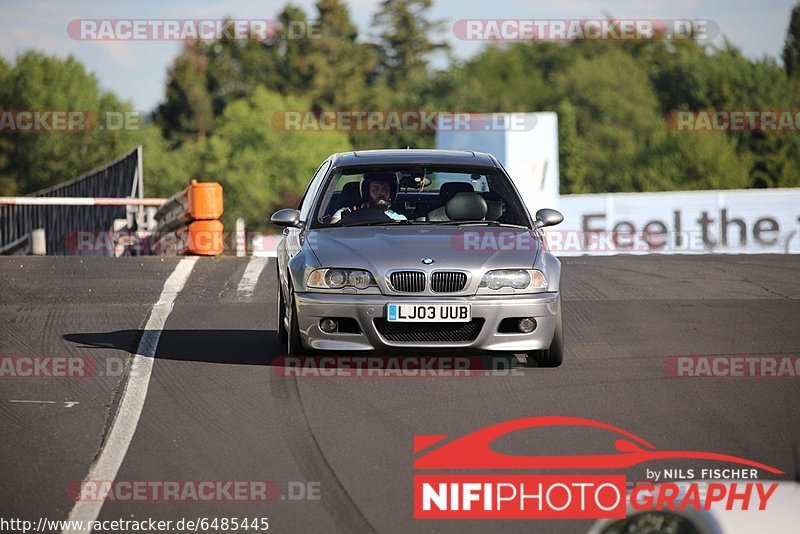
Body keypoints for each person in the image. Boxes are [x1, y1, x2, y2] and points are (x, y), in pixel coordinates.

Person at [330, 171, 407, 224]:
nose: (381, 193)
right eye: (375, 189)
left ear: (391, 193)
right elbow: (332, 232)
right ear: (366, 191)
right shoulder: (345, 213)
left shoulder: (399, 219)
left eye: (385, 189)